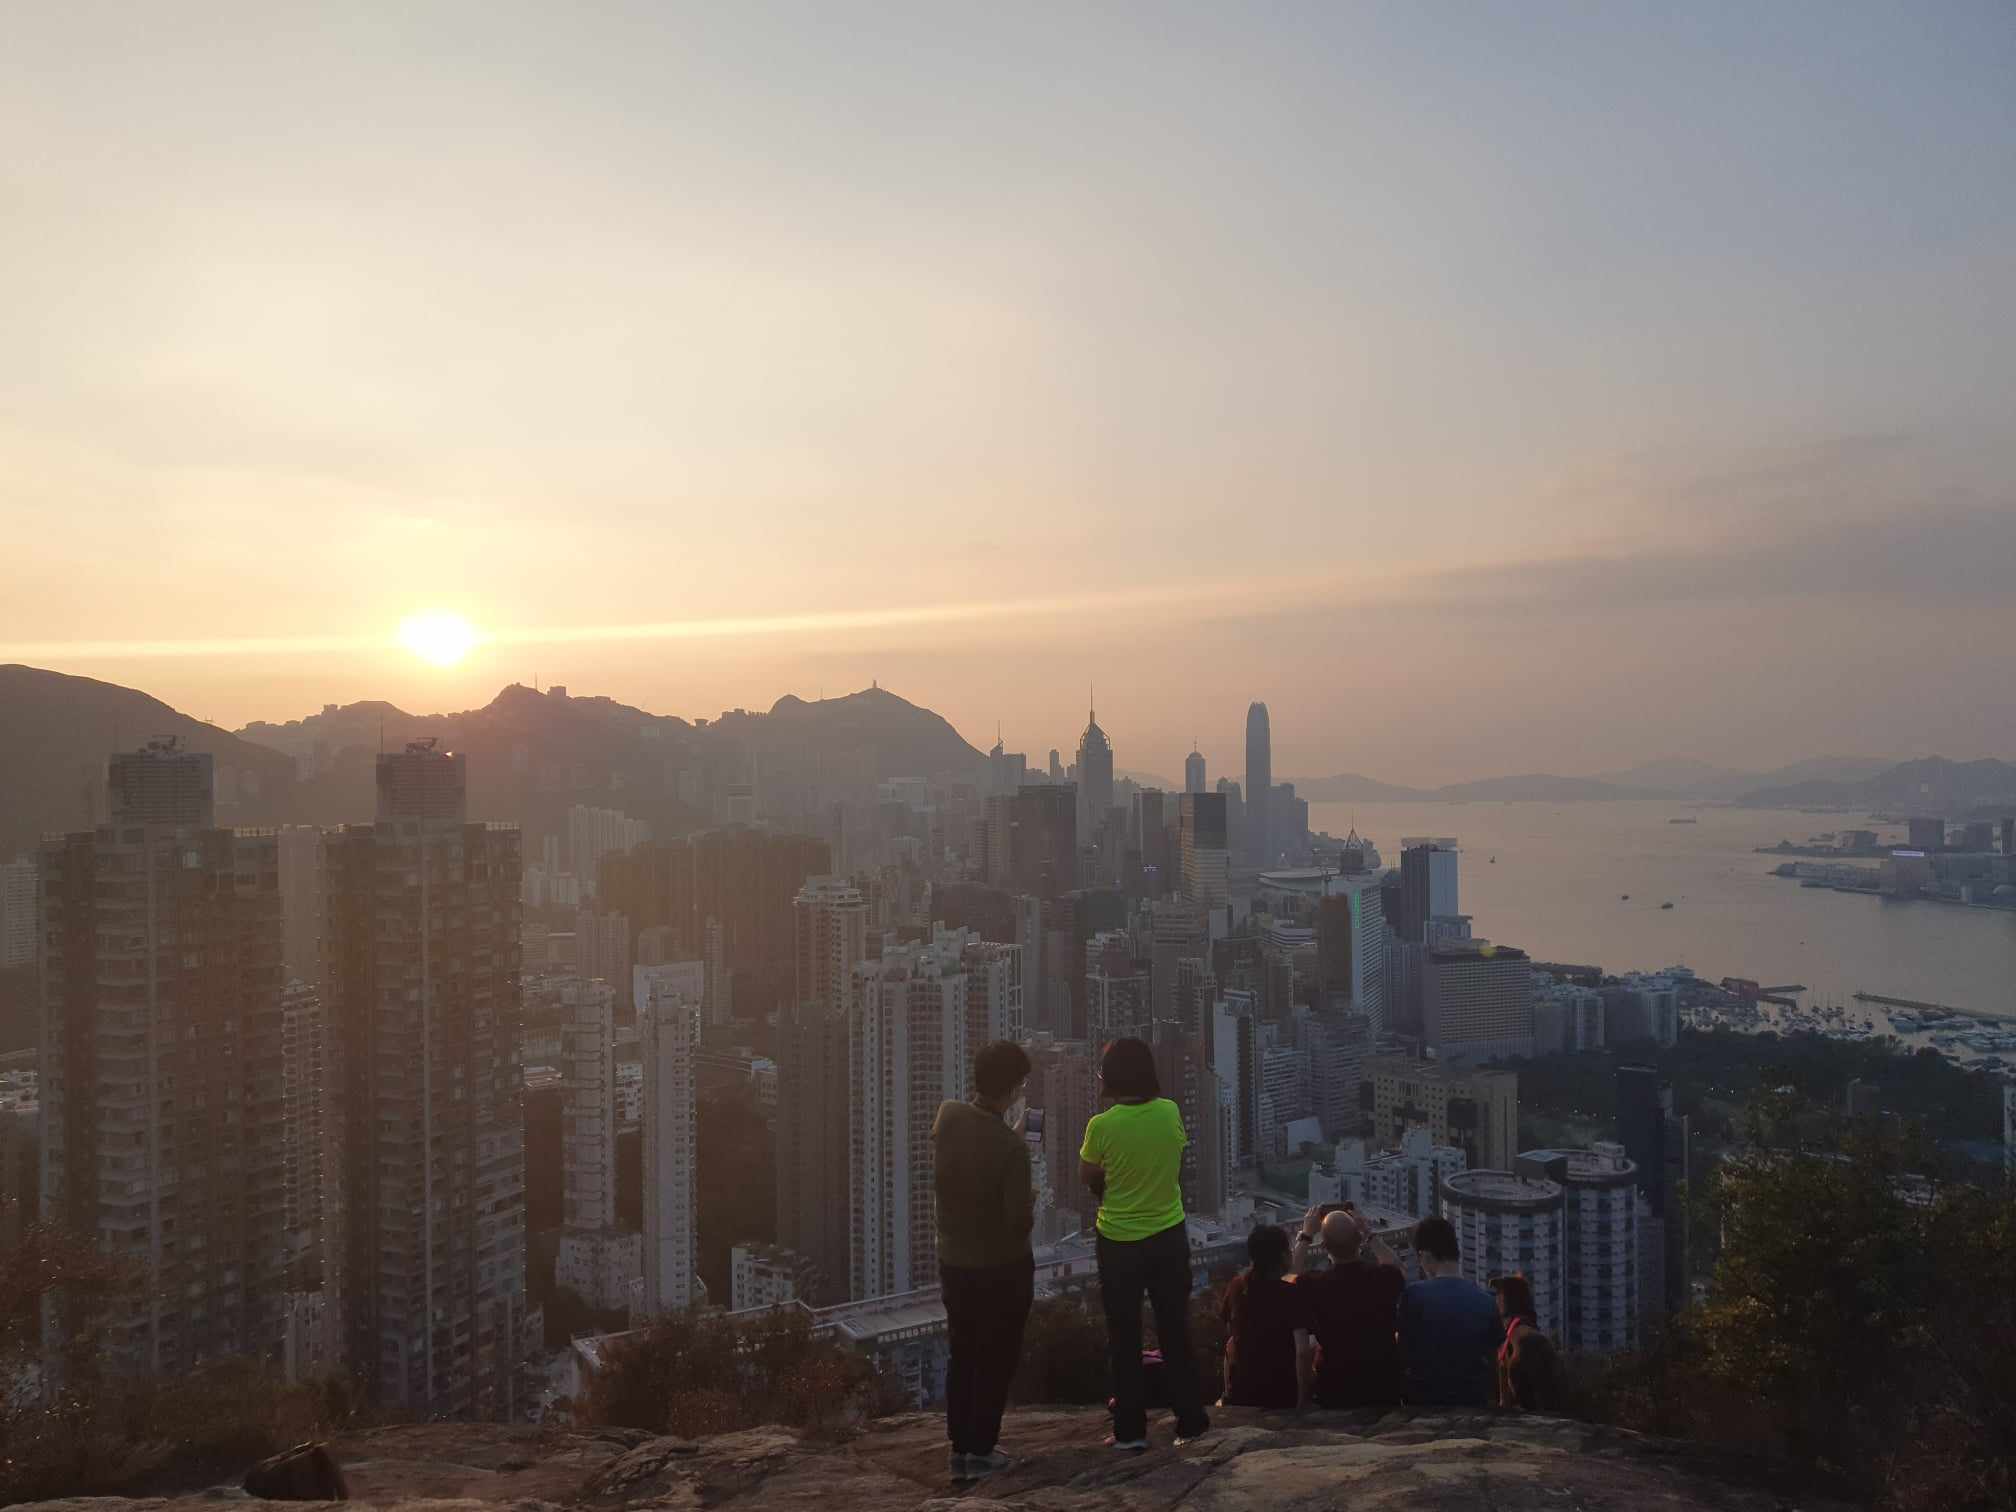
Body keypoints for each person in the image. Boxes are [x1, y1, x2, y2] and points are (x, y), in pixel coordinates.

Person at [1080, 1037, 1210, 1450]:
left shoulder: (1102, 1126)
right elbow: (1174, 1157)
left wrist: (1115, 1188)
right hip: (1169, 1236)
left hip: (1119, 1242)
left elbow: (1089, 1176)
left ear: (1111, 1078)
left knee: (1124, 1335)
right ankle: (1191, 1421)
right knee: (1175, 1328)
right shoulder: (1169, 1111)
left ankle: (1130, 1433)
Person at [932, 1039, 1037, 1480]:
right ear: (1013, 1089)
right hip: (1000, 1268)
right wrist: (1028, 1195)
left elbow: (977, 1151)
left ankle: (960, 1447)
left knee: (964, 1351)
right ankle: (982, 1448)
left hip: (954, 1262)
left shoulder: (949, 1120)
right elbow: (1017, 1223)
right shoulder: (1013, 1152)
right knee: (996, 1356)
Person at [1294, 1207, 1406, 1409]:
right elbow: (1397, 1267)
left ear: (1324, 1246)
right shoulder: (1382, 1278)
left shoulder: (1316, 1285)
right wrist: (1370, 1234)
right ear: (1359, 1241)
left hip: (1335, 1389)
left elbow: (1291, 1277)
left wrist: (1305, 1235)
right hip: (1383, 1390)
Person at [1397, 1216, 1501, 1406]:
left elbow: (1404, 1354)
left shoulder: (1414, 1296)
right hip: (1473, 1401)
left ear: (1425, 1256)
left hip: (1424, 1403)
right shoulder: (1487, 1301)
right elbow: (1495, 1364)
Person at [1217, 1224, 1308, 1410]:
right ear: (1283, 1256)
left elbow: (1231, 1342)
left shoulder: (1237, 1287)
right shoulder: (1292, 1295)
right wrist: (1302, 1402)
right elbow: (1302, 1352)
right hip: (1281, 1396)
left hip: (1242, 1394)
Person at [1490, 1274, 1565, 1413]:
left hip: (1519, 1361)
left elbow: (1504, 1394)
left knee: (1527, 1407)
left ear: (1503, 1299)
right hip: (1543, 1350)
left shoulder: (1506, 1328)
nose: (1496, 1300)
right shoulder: (1530, 1325)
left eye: (1498, 1295)